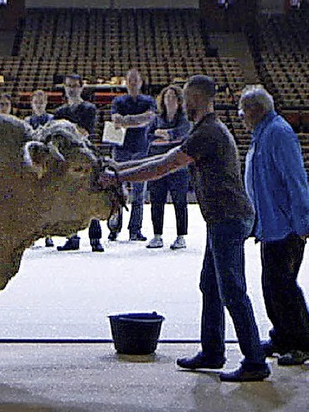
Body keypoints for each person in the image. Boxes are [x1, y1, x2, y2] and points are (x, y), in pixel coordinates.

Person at [99, 75, 270, 382]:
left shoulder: (209, 132)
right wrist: (118, 170)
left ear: (199, 100)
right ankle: (213, 351)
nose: (184, 104)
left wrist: (118, 176)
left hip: (228, 219)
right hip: (222, 218)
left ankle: (255, 361)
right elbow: (162, 158)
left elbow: (164, 166)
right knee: (211, 286)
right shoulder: (206, 129)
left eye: (187, 99)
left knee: (232, 290)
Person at [240, 85, 309, 366]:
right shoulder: (263, 133)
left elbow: (296, 179)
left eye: (243, 112)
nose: (241, 117)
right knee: (272, 285)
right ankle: (282, 335)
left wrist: (303, 221)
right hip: (270, 224)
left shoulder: (278, 133)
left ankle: (302, 342)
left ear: (256, 110)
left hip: (286, 226)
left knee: (283, 286)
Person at [54, 74, 104, 253]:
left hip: (85, 156)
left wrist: (65, 128)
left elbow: (84, 132)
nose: (72, 89)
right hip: (67, 159)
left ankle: (95, 238)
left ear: (81, 88)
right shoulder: (59, 112)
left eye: (75, 86)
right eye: (69, 86)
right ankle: (71, 237)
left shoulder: (89, 109)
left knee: (90, 194)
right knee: (69, 198)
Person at [110, 69, 157, 241]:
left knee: (139, 192)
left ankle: (135, 229)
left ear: (141, 82)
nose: (133, 83)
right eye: (130, 80)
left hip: (141, 148)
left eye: (136, 80)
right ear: (126, 82)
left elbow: (149, 118)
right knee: (117, 191)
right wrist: (137, 120)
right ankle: (114, 228)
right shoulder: (118, 100)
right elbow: (116, 120)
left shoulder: (149, 100)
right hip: (120, 149)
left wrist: (126, 120)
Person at [145, 85, 191, 250]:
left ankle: (181, 236)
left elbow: (183, 134)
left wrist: (166, 135)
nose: (169, 100)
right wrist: (170, 137)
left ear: (179, 101)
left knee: (180, 201)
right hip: (158, 164)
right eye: (167, 97)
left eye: (173, 97)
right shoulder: (156, 119)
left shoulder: (185, 119)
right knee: (157, 200)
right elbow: (149, 137)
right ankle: (157, 235)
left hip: (179, 167)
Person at [24, 90, 55, 247]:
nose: (39, 104)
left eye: (41, 102)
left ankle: (48, 234)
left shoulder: (52, 119)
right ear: (32, 104)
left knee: (48, 200)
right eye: (36, 102)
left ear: (46, 103)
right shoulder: (27, 121)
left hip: (47, 164)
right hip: (32, 165)